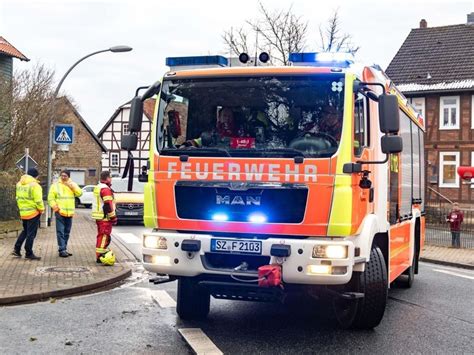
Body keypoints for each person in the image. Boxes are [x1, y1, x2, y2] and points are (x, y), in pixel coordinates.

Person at [48, 170, 83, 257]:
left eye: (65, 176)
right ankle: (62, 249)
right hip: (60, 212)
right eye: (62, 176)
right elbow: (50, 198)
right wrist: (56, 208)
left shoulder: (72, 184)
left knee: (67, 232)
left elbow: (80, 193)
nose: (63, 177)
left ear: (68, 177)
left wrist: (72, 187)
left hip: (69, 213)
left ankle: (64, 248)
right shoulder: (55, 186)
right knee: (60, 231)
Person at [12, 168, 44, 260]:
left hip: (23, 212)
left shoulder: (19, 184)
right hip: (33, 213)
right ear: (36, 176)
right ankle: (29, 253)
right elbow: (38, 200)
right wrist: (41, 209)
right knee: (31, 233)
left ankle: (16, 249)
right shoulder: (35, 185)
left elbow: (17, 198)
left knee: (25, 231)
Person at [91, 171, 117, 263]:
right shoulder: (105, 189)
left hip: (99, 216)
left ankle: (100, 254)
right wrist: (113, 217)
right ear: (108, 178)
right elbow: (108, 205)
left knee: (101, 236)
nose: (111, 179)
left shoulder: (98, 187)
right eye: (111, 177)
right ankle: (100, 256)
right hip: (105, 217)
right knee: (104, 236)